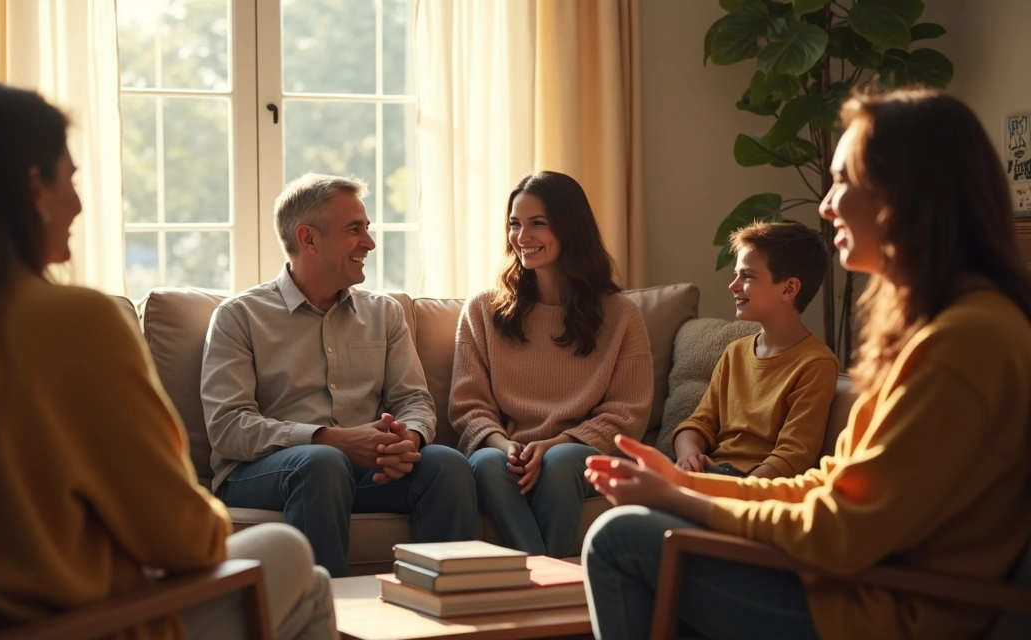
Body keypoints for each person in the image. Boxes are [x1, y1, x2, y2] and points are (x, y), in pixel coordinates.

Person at [0, 78, 336, 640]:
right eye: (70, 179)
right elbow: (184, 539)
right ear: (32, 189)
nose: (79, 204)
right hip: (84, 625)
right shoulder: (73, 324)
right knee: (291, 558)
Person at [580, 89, 1031, 639]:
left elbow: (838, 530)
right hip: (856, 584)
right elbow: (824, 488)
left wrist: (681, 497)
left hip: (886, 611)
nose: (825, 204)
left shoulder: (966, 342)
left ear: (904, 193)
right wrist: (684, 484)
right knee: (642, 526)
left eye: (843, 180)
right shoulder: (941, 331)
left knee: (620, 538)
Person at [200, 172, 478, 578]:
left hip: (360, 471)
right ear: (308, 239)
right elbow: (229, 427)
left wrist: (408, 438)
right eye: (354, 230)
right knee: (322, 463)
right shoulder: (238, 317)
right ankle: (329, 622)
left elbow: (413, 401)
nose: (369, 243)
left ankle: (441, 618)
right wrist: (333, 440)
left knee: (447, 465)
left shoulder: (384, 313)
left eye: (367, 229)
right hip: (264, 472)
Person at [449, 171, 653, 557]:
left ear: (570, 228)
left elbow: (628, 412)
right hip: (508, 449)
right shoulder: (482, 310)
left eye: (537, 224)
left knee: (559, 463)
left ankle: (539, 579)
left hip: (577, 451)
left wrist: (557, 442)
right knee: (488, 463)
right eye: (515, 224)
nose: (522, 237)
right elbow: (468, 405)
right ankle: (549, 577)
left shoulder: (622, 315)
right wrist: (505, 445)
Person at [671, 220, 838, 479]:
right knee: (604, 464)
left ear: (788, 289)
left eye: (746, 276)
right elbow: (698, 424)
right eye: (736, 274)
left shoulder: (816, 364)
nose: (733, 285)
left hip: (745, 482)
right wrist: (687, 455)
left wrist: (729, 489)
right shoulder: (734, 353)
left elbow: (792, 456)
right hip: (710, 472)